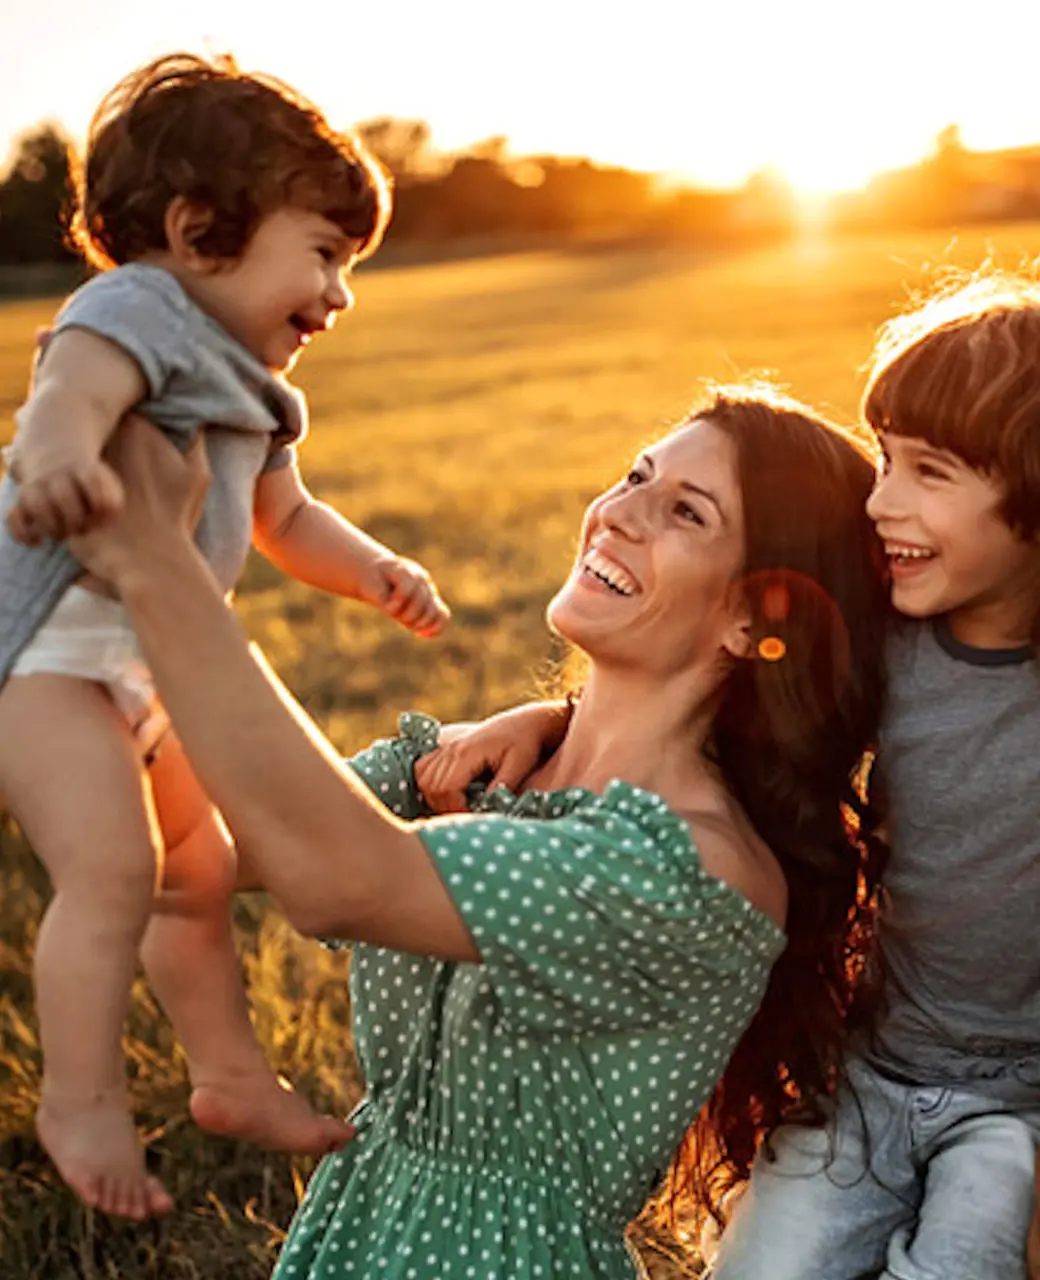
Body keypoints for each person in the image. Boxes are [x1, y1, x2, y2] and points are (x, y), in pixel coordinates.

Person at [67, 384, 888, 1278]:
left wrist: (170, 583)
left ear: (753, 617)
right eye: (635, 475)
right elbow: (205, 844)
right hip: (358, 1231)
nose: (617, 513)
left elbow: (340, 875)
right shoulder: (490, 770)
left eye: (685, 512)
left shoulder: (694, 867)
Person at [0, 53, 448, 1220]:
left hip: (146, 661)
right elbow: (70, 393)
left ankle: (234, 1076)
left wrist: (377, 575)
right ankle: (81, 1096)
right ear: (201, 230)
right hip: (41, 656)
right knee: (114, 866)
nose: (339, 294)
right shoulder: (134, 307)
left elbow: (285, 516)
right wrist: (51, 460)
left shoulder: (257, 385)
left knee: (196, 873)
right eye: (324, 254)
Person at [697, 278, 1040, 1280]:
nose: (879, 499)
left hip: (1021, 1106)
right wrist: (541, 719)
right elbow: (704, 715)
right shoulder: (879, 642)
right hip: (869, 1073)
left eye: (927, 470)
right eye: (883, 458)